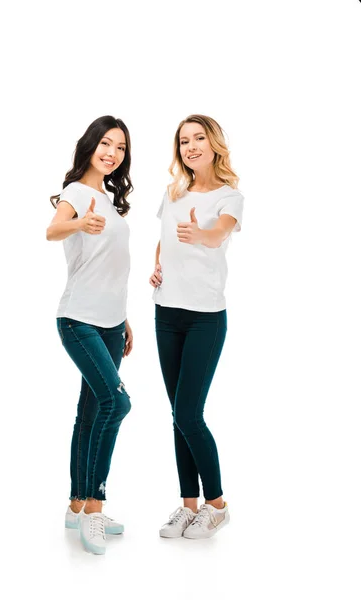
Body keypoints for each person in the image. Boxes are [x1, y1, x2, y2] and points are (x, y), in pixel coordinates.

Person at [150, 114, 244, 540]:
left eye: (198, 138)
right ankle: (188, 505)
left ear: (214, 144)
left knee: (190, 412)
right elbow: (164, 238)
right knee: (177, 414)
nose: (190, 146)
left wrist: (199, 233)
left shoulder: (230, 196)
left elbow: (218, 234)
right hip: (166, 313)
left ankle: (218, 505)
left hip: (206, 317)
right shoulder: (173, 192)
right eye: (184, 140)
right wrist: (157, 264)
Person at [47, 115, 134, 555]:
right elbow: (51, 230)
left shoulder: (109, 199)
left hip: (112, 323)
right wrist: (79, 223)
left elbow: (111, 267)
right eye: (105, 143)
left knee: (90, 412)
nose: (112, 153)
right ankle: (96, 509)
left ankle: (77, 507)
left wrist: (125, 319)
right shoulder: (78, 193)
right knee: (117, 402)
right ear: (90, 146)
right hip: (78, 319)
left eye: (119, 147)